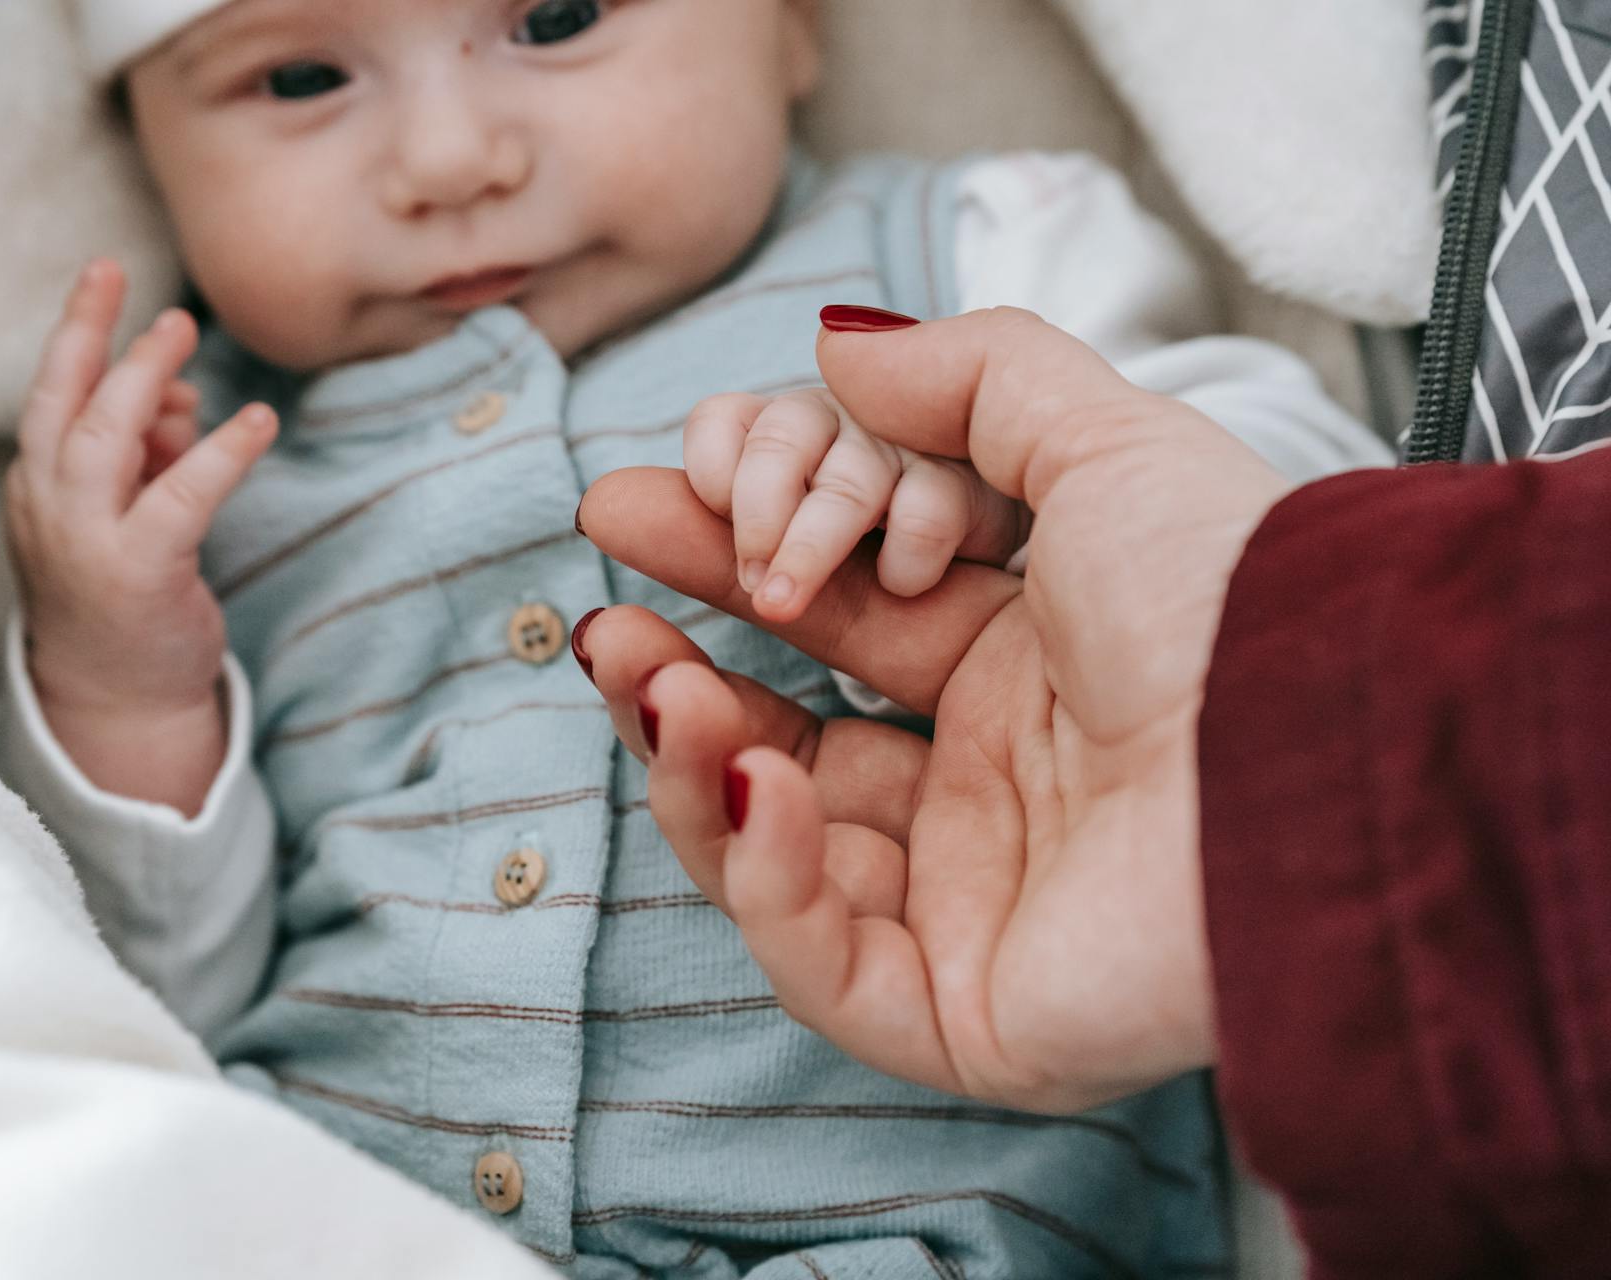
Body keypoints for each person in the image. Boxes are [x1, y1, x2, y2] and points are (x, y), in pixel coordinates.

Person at [0, 0, 1391, 1272]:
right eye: (298, 78)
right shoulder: (197, 478)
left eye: (559, 18)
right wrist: (115, 680)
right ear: (143, 149)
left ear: (795, 27)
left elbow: (1319, 535)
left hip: (918, 1222)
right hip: (342, 1210)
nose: (452, 160)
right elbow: (119, 1002)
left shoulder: (976, 259)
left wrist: (993, 499)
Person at [574, 306, 1611, 1275]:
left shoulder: (1000, 217)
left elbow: (1307, 464)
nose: (448, 165)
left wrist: (986, 510)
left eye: (569, 92)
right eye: (396, 102)